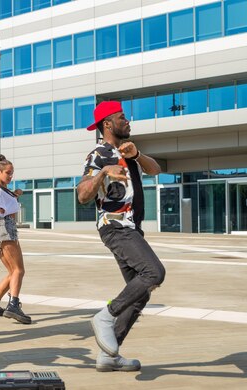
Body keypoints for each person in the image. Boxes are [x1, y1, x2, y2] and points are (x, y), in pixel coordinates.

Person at [77, 101, 164, 372]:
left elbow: (155, 170)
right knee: (154, 273)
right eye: (122, 117)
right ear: (107, 124)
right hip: (115, 227)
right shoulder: (99, 155)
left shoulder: (128, 152)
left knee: (141, 293)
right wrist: (103, 172)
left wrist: (137, 154)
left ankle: (109, 355)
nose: (128, 121)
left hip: (131, 229)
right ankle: (106, 316)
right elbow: (82, 195)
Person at [0, 154, 31, 324]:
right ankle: (13, 305)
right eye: (8, 173)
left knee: (13, 272)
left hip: (5, 228)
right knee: (19, 270)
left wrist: (16, 194)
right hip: (4, 228)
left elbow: (6, 202)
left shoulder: (4, 190)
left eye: (12, 173)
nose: (11, 176)